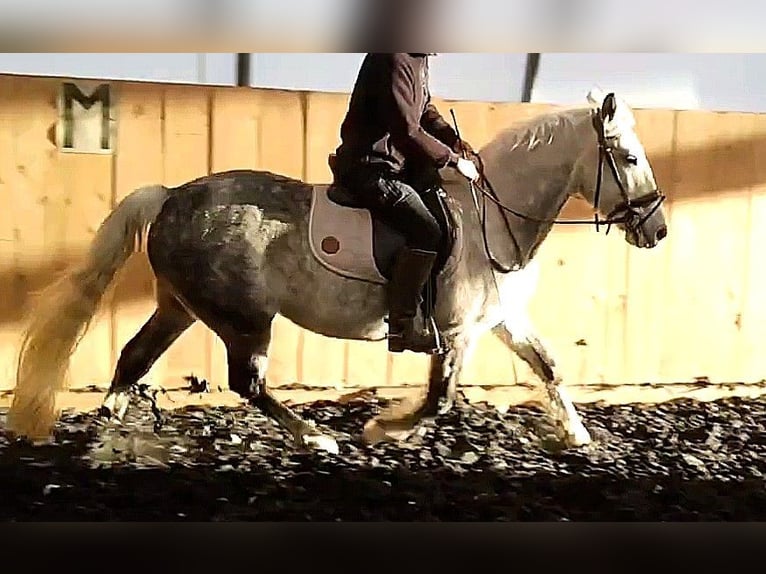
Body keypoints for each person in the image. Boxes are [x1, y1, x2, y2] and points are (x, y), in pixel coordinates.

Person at [331, 53, 481, 354]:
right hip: (369, 166)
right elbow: (406, 130)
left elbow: (423, 108)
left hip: (397, 165)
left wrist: (451, 138)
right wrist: (452, 161)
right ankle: (404, 326)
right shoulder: (393, 59)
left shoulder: (417, 57)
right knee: (427, 230)